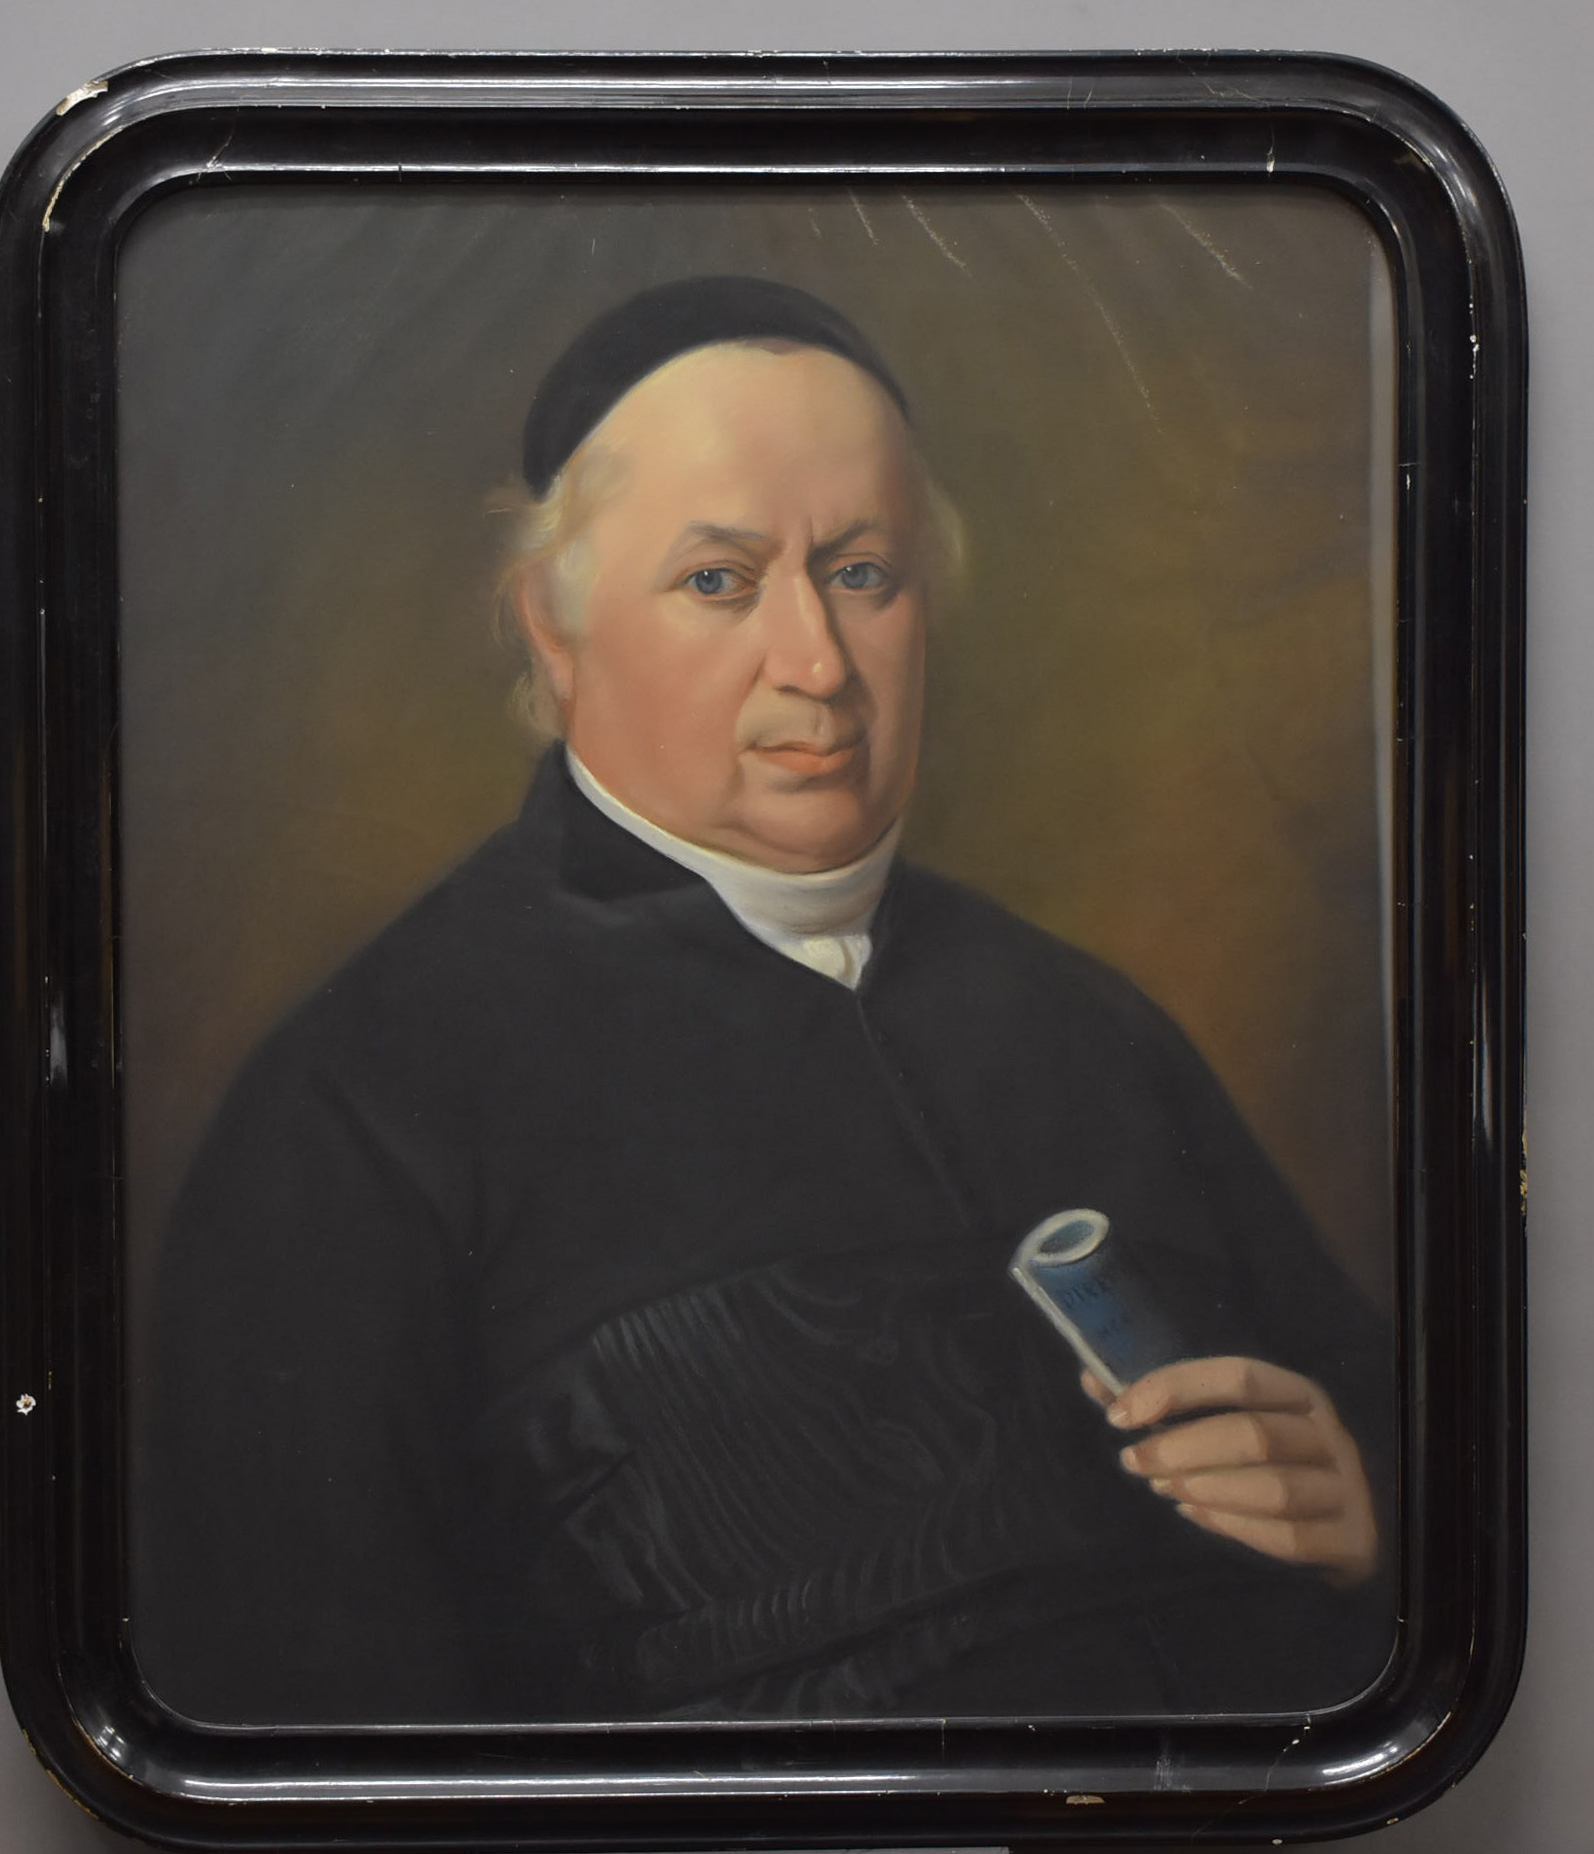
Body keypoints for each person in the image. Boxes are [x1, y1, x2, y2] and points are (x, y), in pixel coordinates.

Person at [135, 277, 1393, 1728]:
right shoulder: (359, 1108)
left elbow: (1414, 1500)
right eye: (719, 582)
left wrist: (1368, 1514)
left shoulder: (1081, 1027)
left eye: (862, 573)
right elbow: (316, 1729)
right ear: (555, 627)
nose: (818, 664)